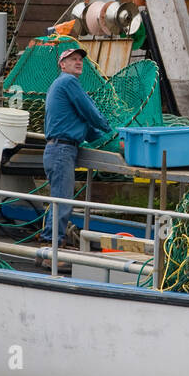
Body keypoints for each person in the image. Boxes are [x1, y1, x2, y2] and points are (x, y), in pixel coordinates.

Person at [43, 45, 111, 244]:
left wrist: (107, 140)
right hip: (62, 150)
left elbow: (86, 124)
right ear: (62, 65)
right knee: (62, 202)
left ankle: (51, 244)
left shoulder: (63, 84)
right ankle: (50, 247)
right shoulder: (68, 82)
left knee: (60, 200)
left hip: (60, 149)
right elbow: (90, 112)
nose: (78, 62)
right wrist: (111, 130)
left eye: (80, 59)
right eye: (72, 59)